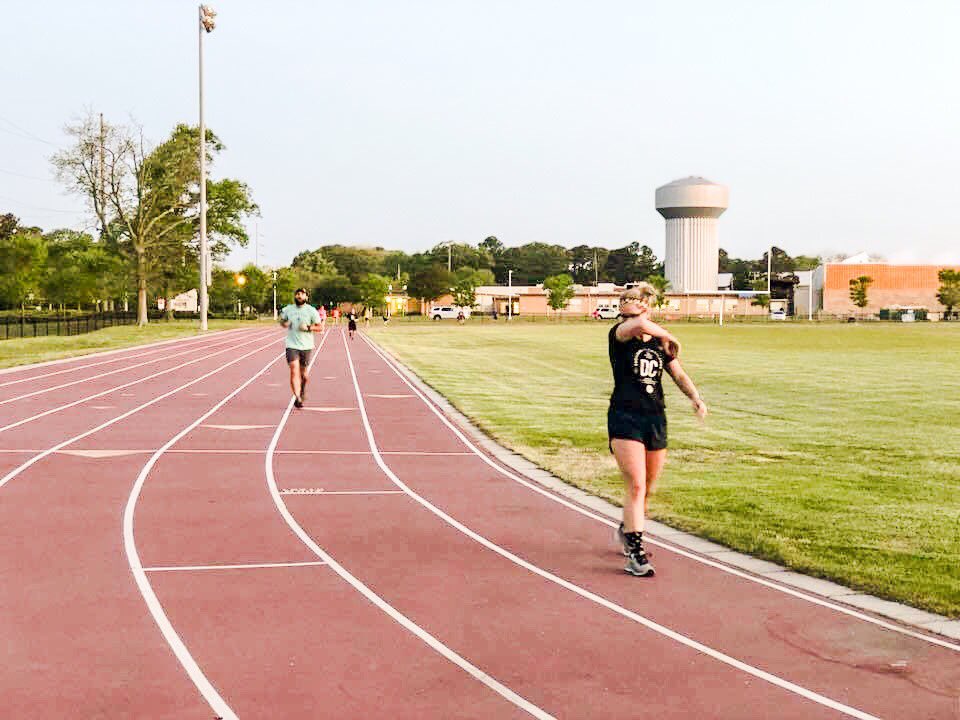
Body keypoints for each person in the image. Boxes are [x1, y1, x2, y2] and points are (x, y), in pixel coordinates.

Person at [608, 284, 707, 577]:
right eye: (622, 300)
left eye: (631, 300)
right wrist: (670, 334)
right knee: (636, 484)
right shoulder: (620, 334)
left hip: (655, 418)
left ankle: (627, 528)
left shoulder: (658, 344)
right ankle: (636, 554)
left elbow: (677, 373)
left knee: (648, 488)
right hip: (625, 417)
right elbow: (638, 325)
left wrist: (695, 397)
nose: (624, 303)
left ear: (646, 305)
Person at [279, 288, 323, 409]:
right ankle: (297, 397)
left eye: (302, 294)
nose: (299, 296)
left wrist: (308, 327)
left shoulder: (311, 311)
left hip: (306, 346)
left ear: (306, 297)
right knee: (294, 369)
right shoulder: (288, 309)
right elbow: (282, 321)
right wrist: (285, 324)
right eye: (297, 294)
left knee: (304, 374)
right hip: (291, 345)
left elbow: (320, 328)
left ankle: (302, 390)